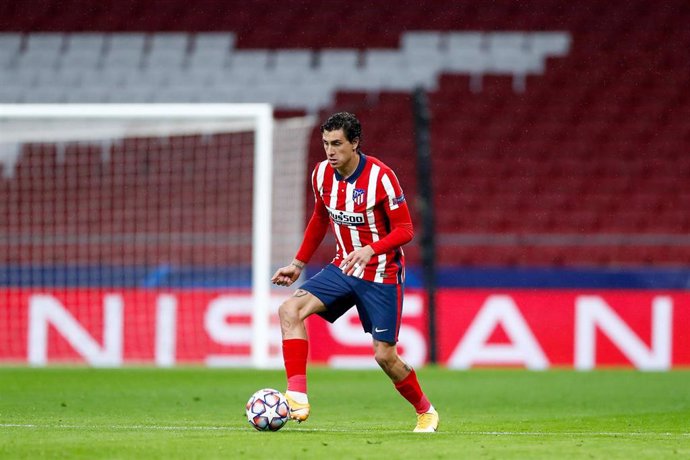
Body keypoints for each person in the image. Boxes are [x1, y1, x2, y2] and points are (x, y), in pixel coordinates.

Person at [271, 112, 439, 433]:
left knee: (385, 356)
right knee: (289, 309)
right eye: (325, 144)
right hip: (343, 267)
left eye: (337, 144)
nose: (330, 151)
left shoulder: (381, 177)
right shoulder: (321, 174)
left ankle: (425, 410)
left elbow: (405, 229)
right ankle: (296, 396)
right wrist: (298, 264)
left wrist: (371, 249)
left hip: (381, 274)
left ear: (355, 143)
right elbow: (320, 219)